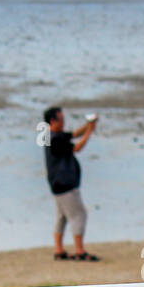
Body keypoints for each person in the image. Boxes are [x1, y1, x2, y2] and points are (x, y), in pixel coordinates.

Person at [42, 105, 99, 261]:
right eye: (61, 119)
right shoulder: (55, 139)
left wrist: (88, 125)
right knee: (79, 215)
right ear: (53, 120)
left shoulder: (50, 135)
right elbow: (78, 147)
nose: (64, 122)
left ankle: (59, 250)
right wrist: (90, 131)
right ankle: (80, 251)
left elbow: (73, 134)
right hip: (65, 184)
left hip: (56, 184)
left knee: (62, 216)